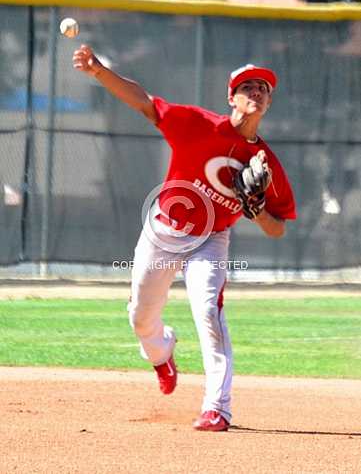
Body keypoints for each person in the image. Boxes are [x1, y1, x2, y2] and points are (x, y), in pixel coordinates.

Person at [73, 45, 296, 432]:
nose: (257, 93)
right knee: (141, 318)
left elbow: (278, 228)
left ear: (269, 102)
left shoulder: (266, 163)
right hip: (163, 231)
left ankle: (217, 408)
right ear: (232, 97)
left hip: (210, 240)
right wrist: (98, 71)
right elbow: (144, 102)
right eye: (248, 87)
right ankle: (162, 353)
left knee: (209, 311)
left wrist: (256, 209)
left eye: (263, 89)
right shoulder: (197, 124)